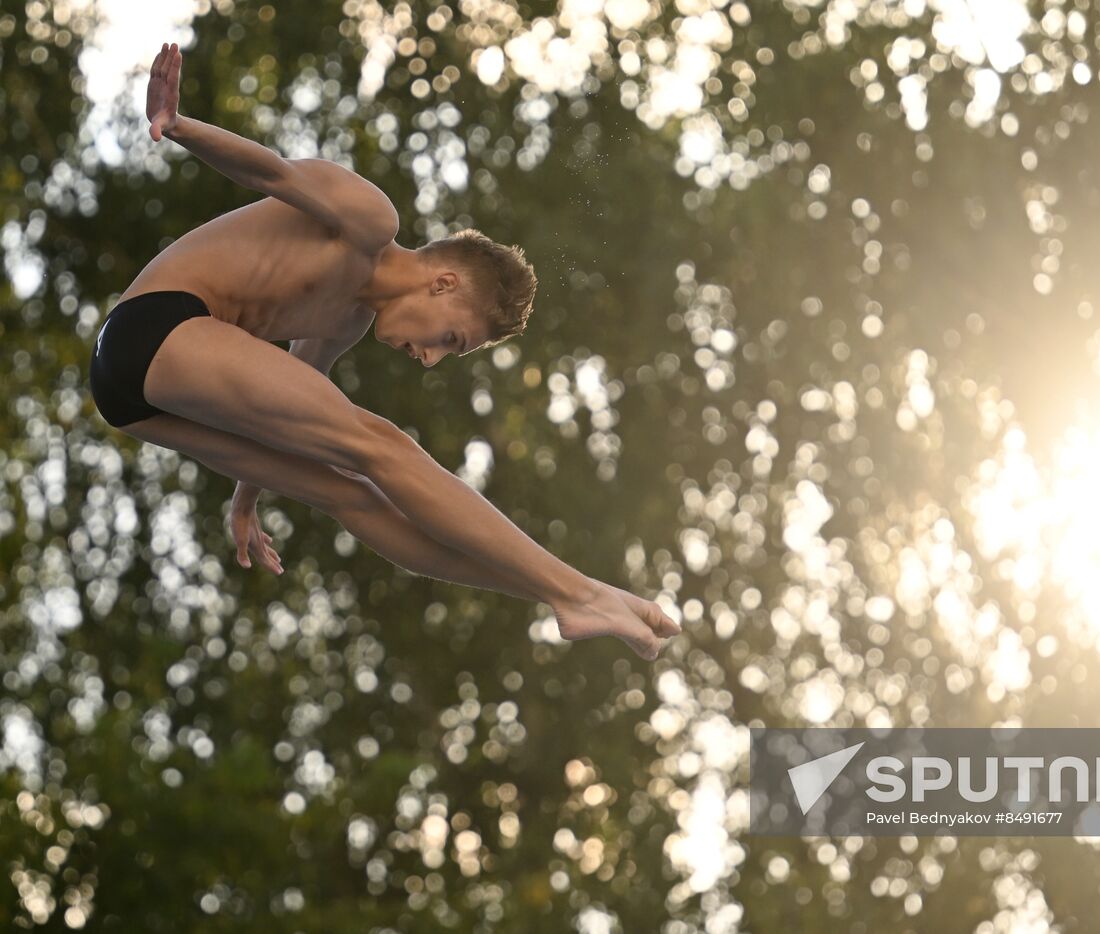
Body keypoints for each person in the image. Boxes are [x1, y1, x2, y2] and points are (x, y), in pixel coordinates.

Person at [87, 42, 679, 660]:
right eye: (451, 339)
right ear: (443, 281)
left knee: (348, 490)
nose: (430, 358)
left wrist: (248, 492)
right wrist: (179, 127)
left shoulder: (343, 321)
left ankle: (564, 594)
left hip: (133, 398)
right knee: (380, 447)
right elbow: (271, 172)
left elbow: (280, 410)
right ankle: (577, 592)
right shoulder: (369, 221)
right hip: (152, 326)